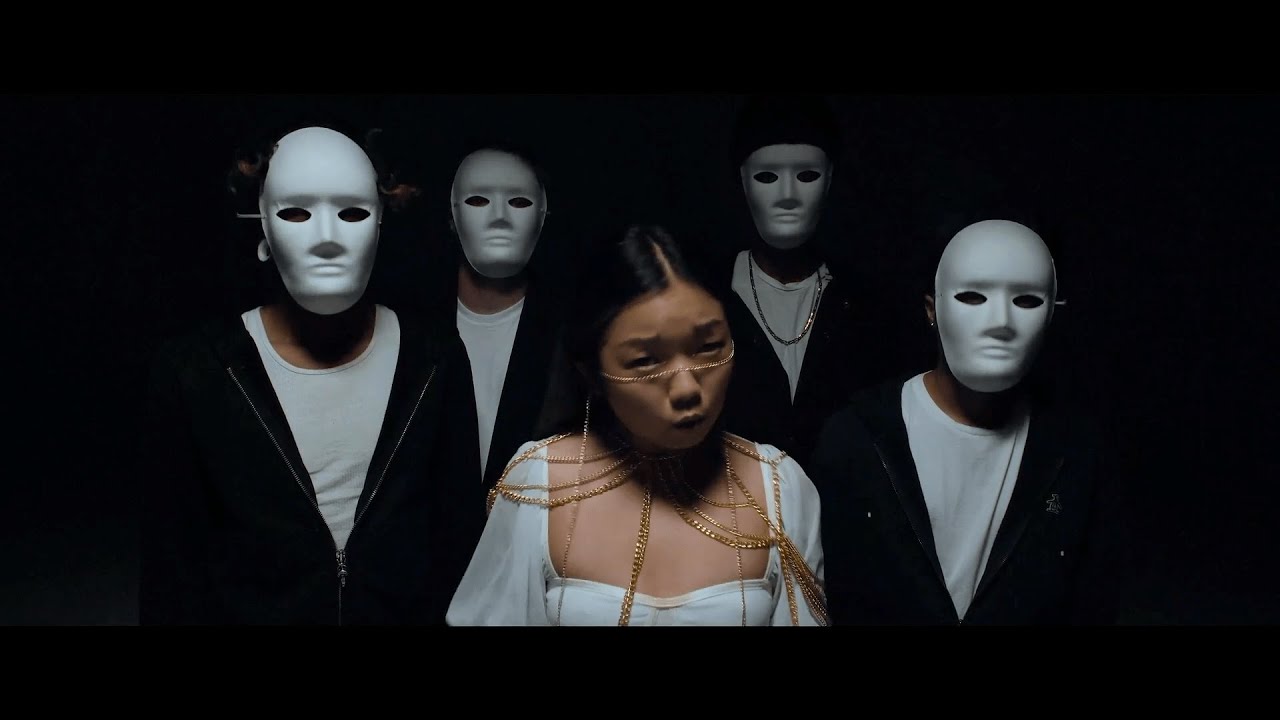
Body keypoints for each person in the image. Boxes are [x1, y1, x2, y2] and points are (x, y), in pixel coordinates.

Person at [139, 125, 485, 625]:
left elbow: (459, 540)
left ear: (381, 222)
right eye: (297, 212)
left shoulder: (434, 360)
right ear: (262, 226)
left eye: (351, 212)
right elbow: (173, 572)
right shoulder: (195, 373)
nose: (327, 239)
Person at [445, 224, 827, 626]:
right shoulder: (536, 488)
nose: (687, 388)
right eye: (646, 360)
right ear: (591, 372)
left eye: (709, 347)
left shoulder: (779, 489)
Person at [810, 217, 1125, 625]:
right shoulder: (855, 440)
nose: (1001, 323)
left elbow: (1092, 602)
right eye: (974, 297)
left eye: (1026, 300)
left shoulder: (1077, 455)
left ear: (1052, 315)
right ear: (932, 310)